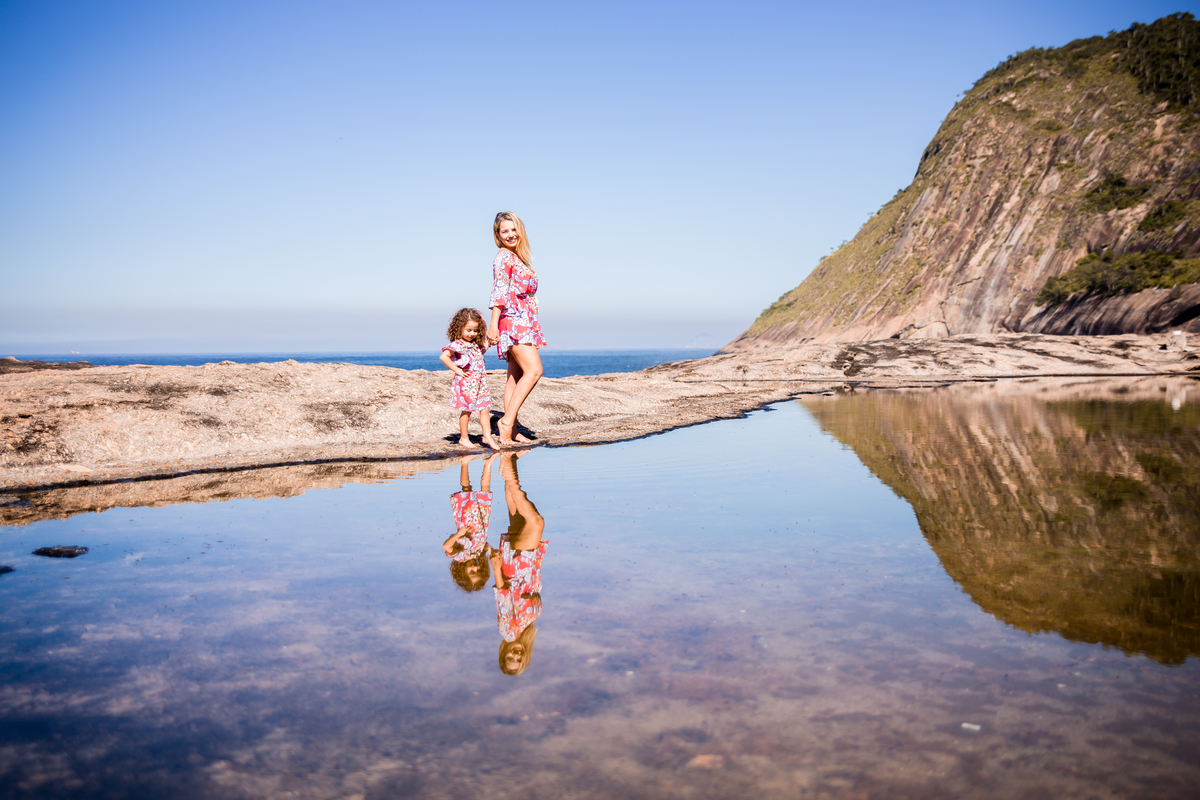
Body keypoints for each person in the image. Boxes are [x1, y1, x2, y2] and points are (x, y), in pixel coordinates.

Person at [487, 212, 545, 446]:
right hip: (513, 321)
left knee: (515, 376)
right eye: (505, 231)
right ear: (498, 235)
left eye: (514, 229)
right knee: (534, 371)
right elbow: (499, 291)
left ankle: (511, 429)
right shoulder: (503, 257)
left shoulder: (516, 257)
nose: (511, 234)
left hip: (523, 320)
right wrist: (493, 325)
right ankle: (506, 423)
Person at [488, 451, 545, 675]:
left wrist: (495, 567)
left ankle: (508, 467)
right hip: (526, 568)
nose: (515, 654)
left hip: (518, 568)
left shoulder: (509, 633)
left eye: (509, 657)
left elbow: (503, 598)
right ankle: (509, 462)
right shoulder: (526, 629)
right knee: (516, 514)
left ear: (503, 651)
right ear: (525, 658)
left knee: (536, 522)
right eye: (518, 659)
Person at [440, 308, 498, 449]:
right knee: (467, 410)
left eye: (475, 331)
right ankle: (464, 438)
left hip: (480, 382)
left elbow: (479, 353)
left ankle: (487, 436)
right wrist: (456, 370)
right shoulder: (457, 345)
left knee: (485, 408)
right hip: (467, 383)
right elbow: (444, 357)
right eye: (469, 330)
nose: (472, 334)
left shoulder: (474, 344)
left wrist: (488, 343)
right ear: (459, 328)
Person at [443, 453, 497, 592]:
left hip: (467, 520)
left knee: (466, 490)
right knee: (486, 492)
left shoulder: (459, 556)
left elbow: (446, 546)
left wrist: (459, 534)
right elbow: (482, 543)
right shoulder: (478, 555)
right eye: (479, 570)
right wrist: (490, 550)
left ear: (463, 572)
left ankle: (465, 463)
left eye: (472, 572)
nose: (476, 567)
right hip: (482, 522)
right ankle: (487, 465)